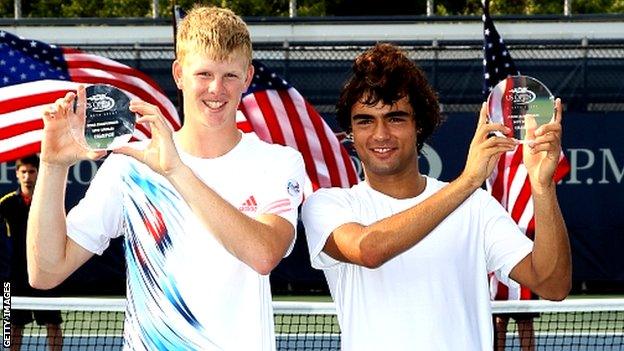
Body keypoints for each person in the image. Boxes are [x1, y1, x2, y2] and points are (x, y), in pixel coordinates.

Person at [27, 6, 304, 350]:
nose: (216, 89)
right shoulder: (130, 166)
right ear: (179, 74)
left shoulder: (277, 162)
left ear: (247, 78)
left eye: (230, 76)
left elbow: (263, 255)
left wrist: (176, 170)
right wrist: (53, 167)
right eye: (203, 74)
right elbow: (45, 271)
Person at [301, 43, 571, 350]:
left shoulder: (476, 207)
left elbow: (552, 284)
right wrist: (468, 180)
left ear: (419, 126)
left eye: (396, 118)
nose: (380, 134)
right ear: (350, 130)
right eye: (365, 120)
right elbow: (369, 250)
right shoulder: (328, 205)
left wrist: (542, 186)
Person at [0, 155, 63, 351]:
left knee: (53, 324)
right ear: (17, 174)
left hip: (45, 272)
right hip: (13, 277)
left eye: (32, 171)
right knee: (12, 324)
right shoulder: (5, 204)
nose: (27, 176)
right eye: (23, 172)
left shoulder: (50, 201)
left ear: (38, 173)